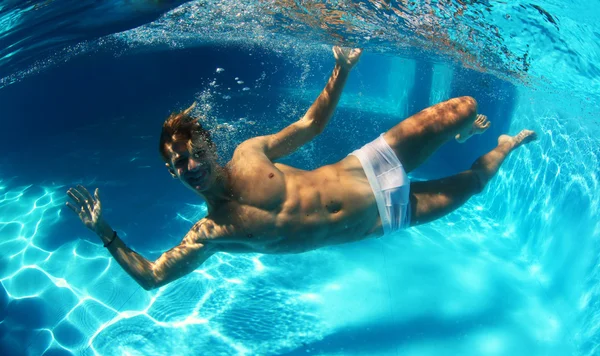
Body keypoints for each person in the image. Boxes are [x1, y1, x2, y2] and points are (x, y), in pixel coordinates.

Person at [66, 46, 536, 291]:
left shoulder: (250, 153)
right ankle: (505, 144)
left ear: (210, 145)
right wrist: (105, 231)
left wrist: (343, 69)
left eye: (191, 153)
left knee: (461, 106)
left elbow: (311, 124)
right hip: (384, 218)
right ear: (172, 174)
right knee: (475, 182)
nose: (187, 165)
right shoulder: (208, 235)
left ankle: (462, 132)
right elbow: (152, 277)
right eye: (176, 164)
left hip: (367, 167)